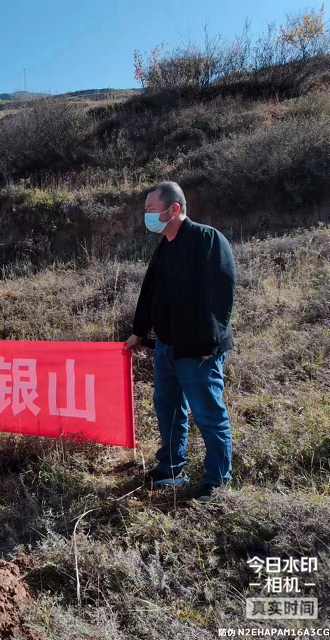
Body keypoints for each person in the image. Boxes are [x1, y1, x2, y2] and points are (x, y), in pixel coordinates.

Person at [123, 181, 236, 503]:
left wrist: (209, 342)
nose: (146, 215)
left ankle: (217, 480)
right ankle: (171, 468)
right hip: (167, 346)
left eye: (151, 209)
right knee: (168, 407)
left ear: (173, 209)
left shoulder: (207, 239)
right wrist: (139, 331)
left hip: (198, 350)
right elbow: (151, 291)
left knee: (208, 414)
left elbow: (221, 292)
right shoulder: (165, 246)